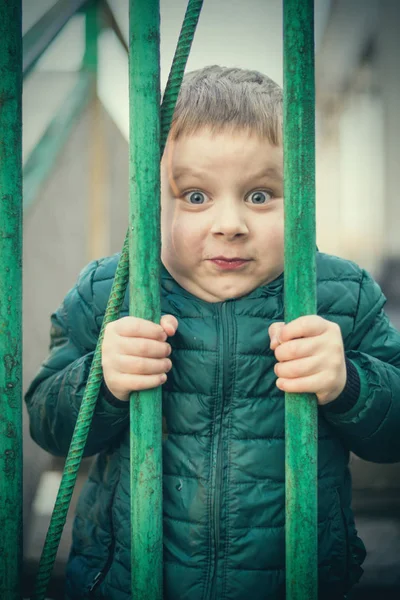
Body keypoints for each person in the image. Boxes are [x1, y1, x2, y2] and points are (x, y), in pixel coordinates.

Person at [25, 66, 400, 600]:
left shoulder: (339, 293)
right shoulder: (114, 289)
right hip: (134, 581)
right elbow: (44, 421)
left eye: (261, 195)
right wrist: (100, 381)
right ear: (150, 198)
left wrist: (352, 384)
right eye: (196, 196)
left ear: (302, 193)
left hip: (292, 583)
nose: (230, 223)